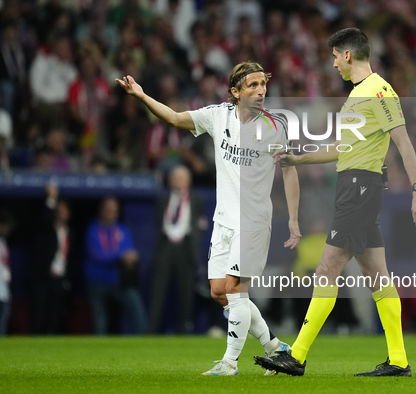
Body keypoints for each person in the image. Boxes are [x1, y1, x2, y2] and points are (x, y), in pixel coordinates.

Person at [254, 27, 416, 377]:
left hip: (361, 187)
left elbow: (404, 142)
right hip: (355, 185)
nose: (333, 64)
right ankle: (398, 361)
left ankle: (297, 355)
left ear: (348, 55)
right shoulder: (357, 96)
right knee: (377, 274)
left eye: (335, 56)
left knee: (326, 269)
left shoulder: (379, 91)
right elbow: (340, 148)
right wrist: (298, 159)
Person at [116, 60, 301, 376]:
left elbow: (290, 171)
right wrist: (143, 97)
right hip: (223, 220)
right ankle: (276, 348)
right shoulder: (217, 116)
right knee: (219, 291)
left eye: (263, 85)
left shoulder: (276, 126)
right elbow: (174, 119)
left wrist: (294, 219)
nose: (260, 91)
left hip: (254, 221)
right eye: (253, 85)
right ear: (235, 92)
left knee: (235, 289)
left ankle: (229, 363)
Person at [149, 165, 207, 334]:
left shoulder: (197, 200)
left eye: (181, 178)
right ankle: (151, 330)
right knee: (158, 291)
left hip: (186, 248)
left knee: (185, 293)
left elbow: (201, 224)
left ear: (188, 181)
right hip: (165, 247)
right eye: (174, 178)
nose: (177, 181)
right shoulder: (163, 200)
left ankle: (183, 330)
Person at [84, 197, 147, 335]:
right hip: (96, 282)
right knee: (100, 322)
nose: (110, 213)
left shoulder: (122, 230)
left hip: (118, 281)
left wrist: (130, 257)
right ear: (101, 210)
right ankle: (98, 353)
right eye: (107, 209)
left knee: (137, 308)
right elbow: (97, 255)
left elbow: (129, 251)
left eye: (114, 210)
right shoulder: (93, 230)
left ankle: (139, 344)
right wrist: (120, 256)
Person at [30, 183, 73, 334]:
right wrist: (51, 198)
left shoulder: (69, 232)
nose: (61, 212)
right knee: (39, 315)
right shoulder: (46, 230)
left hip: (60, 280)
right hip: (43, 278)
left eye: (64, 210)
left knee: (55, 317)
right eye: (58, 209)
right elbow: (44, 220)